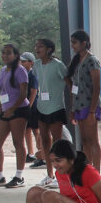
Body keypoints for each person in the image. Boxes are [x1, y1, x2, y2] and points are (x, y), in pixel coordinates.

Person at [0, 43, 30, 188]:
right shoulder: (3, 70)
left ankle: (19, 176)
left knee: (18, 143)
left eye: (8, 53)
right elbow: (3, 94)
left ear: (15, 55)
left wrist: (12, 109)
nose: (5, 56)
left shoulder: (20, 70)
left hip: (19, 109)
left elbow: (23, 93)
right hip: (6, 110)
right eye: (3, 53)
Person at [32, 39, 69, 188]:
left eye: (40, 46)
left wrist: (71, 106)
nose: (37, 49)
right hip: (42, 106)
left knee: (57, 142)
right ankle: (49, 174)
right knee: (44, 141)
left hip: (56, 107)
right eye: (36, 46)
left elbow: (69, 83)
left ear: (49, 49)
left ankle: (62, 176)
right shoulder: (36, 65)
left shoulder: (58, 65)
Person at [66, 30, 101, 171]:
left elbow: (96, 86)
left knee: (93, 140)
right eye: (72, 42)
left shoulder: (92, 60)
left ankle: (97, 171)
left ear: (84, 43)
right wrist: (73, 108)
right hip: (78, 105)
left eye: (75, 42)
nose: (72, 45)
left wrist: (92, 110)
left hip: (89, 104)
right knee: (84, 140)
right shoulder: (76, 60)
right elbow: (73, 85)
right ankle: (88, 169)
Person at [21, 52, 41, 166]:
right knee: (26, 129)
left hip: (32, 106)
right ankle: (30, 153)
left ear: (31, 62)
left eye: (24, 61)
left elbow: (34, 91)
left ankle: (40, 152)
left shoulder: (32, 74)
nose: (22, 63)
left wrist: (29, 105)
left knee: (35, 129)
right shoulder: (23, 73)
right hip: (26, 105)